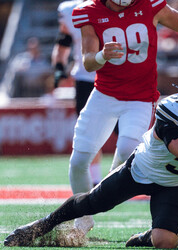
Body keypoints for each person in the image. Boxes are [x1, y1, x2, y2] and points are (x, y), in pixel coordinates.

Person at [4, 59, 178, 249]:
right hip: (142, 169)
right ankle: (41, 225)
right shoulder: (173, 109)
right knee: (92, 202)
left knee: (166, 242)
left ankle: (146, 237)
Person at [67, 0, 178, 236]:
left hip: (140, 99)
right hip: (104, 95)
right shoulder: (88, 11)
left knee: (126, 152)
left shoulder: (149, 5)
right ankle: (82, 219)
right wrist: (102, 55)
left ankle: (105, 193)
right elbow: (88, 60)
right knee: (79, 161)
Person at [52, 0, 103, 188]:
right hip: (85, 79)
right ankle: (95, 179)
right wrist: (59, 66)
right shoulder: (68, 10)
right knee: (89, 132)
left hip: (115, 77)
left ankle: (134, 178)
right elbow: (63, 42)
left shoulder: (115, 6)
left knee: (125, 132)